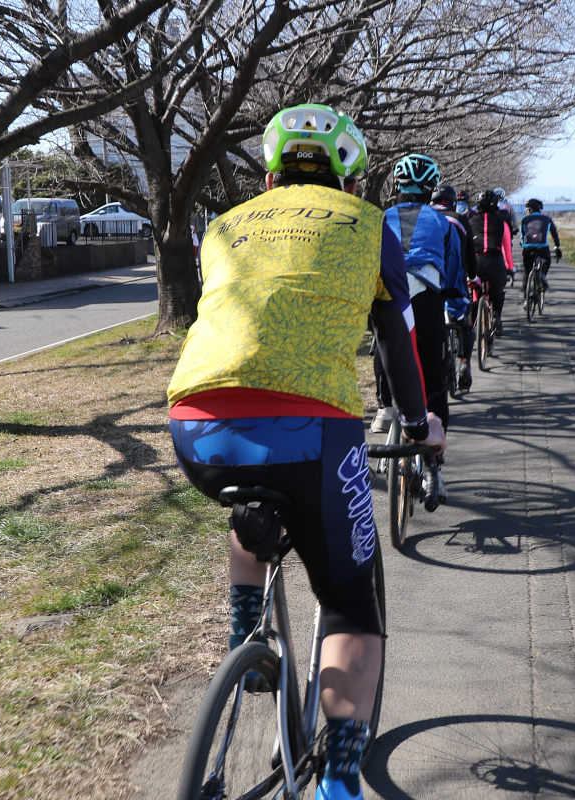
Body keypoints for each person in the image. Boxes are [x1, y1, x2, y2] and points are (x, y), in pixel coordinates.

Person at [166, 103, 446, 800]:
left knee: (248, 510)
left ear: (269, 173)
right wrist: (418, 421)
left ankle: (245, 642)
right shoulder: (370, 225)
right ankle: (339, 781)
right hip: (312, 427)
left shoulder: (224, 225)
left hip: (196, 424)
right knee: (350, 599)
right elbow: (396, 340)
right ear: (350, 176)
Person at [382, 153, 466, 498]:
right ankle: (435, 467)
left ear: (396, 186)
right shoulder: (446, 223)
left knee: (387, 354)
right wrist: (458, 311)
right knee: (434, 377)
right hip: (427, 302)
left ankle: (385, 409)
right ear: (431, 186)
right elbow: (454, 277)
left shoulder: (378, 218)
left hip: (387, 300)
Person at [431, 184, 477, 390]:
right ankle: (465, 362)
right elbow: (470, 254)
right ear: (452, 202)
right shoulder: (460, 220)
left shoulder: (425, 217)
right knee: (466, 324)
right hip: (455, 282)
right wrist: (473, 276)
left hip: (428, 283)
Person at [468, 189, 515, 335]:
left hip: (476, 262)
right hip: (495, 261)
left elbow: (466, 248)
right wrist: (510, 269)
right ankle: (497, 317)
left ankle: (474, 319)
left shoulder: (470, 222)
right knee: (498, 292)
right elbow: (507, 249)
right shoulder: (502, 223)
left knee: (475, 291)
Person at [519, 198, 562, 303]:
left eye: (527, 210)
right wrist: (557, 247)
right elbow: (555, 234)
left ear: (530, 210)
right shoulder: (547, 219)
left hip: (528, 248)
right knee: (546, 263)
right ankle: (542, 276)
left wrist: (523, 245)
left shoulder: (524, 220)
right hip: (543, 248)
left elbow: (522, 236)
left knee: (527, 271)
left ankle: (526, 299)